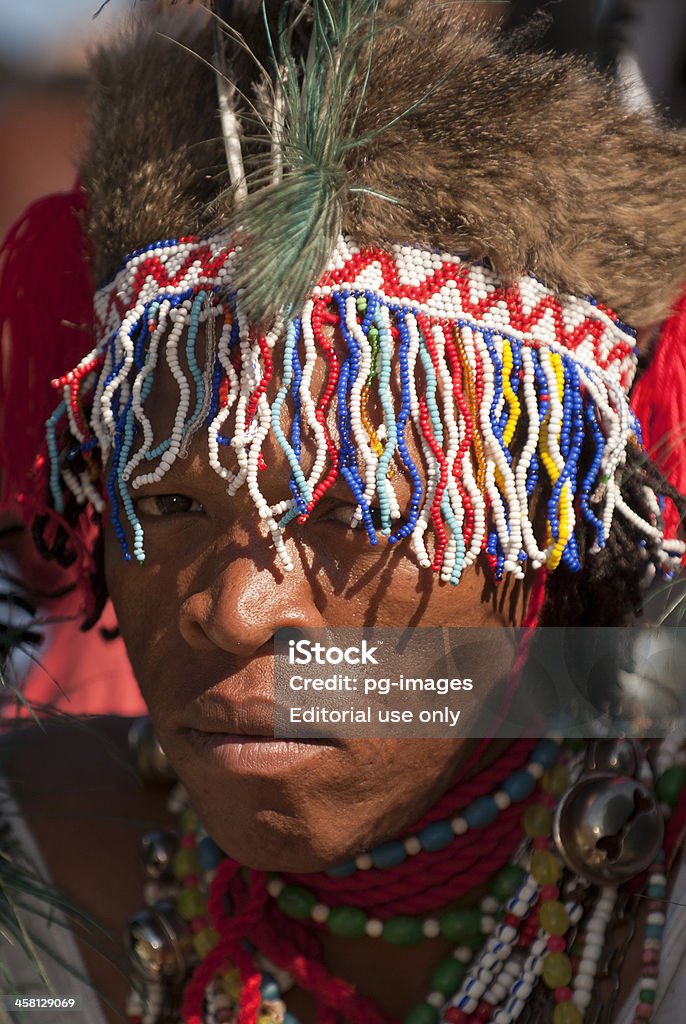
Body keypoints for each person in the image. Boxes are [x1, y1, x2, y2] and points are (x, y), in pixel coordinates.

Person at [1, 2, 686, 1024]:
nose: (234, 610)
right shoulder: (39, 852)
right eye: (170, 501)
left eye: (351, 508)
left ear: (562, 529)